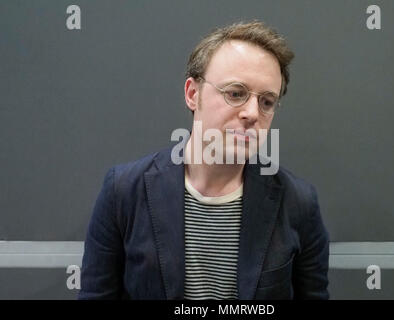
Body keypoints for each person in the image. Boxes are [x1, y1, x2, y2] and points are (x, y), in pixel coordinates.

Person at [78, 20, 330, 300]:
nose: (252, 113)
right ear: (192, 94)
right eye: (236, 93)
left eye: (266, 101)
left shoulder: (299, 203)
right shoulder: (124, 191)